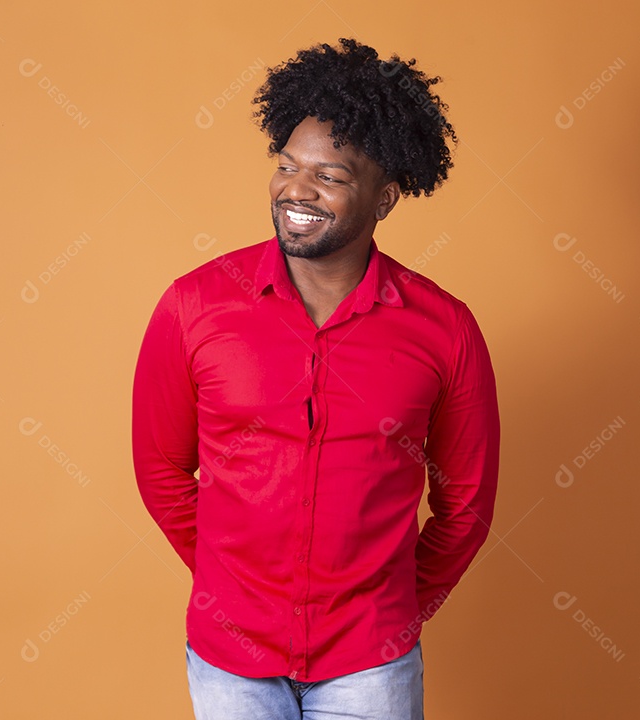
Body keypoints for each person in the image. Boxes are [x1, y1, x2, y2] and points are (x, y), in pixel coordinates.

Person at [132, 37, 500, 720]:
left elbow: (467, 505)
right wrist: (230, 583)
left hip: (371, 664)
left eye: (330, 176)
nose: (296, 190)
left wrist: (393, 612)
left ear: (384, 197)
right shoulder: (195, 305)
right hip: (230, 657)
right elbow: (160, 469)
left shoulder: (444, 328)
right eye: (287, 165)